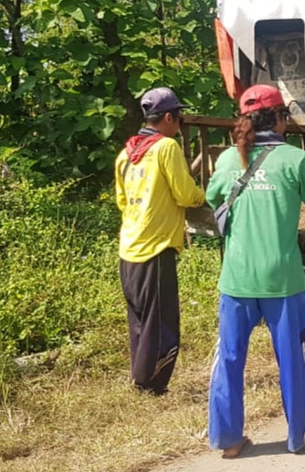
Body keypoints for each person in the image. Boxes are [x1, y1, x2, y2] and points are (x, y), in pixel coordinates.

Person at [205, 84, 305, 459]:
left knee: (228, 359)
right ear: (279, 118)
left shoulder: (228, 160)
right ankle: (299, 435)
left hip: (237, 280)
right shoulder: (294, 159)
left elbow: (212, 197)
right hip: (283, 281)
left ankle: (228, 440)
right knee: (294, 359)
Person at [114, 87, 206, 395]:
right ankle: (151, 385)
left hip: (129, 249)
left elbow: (122, 200)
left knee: (140, 321)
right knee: (163, 323)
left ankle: (140, 381)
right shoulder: (166, 147)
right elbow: (185, 194)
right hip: (155, 250)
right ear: (168, 117)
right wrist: (205, 197)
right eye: (178, 118)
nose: (179, 124)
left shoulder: (126, 152)